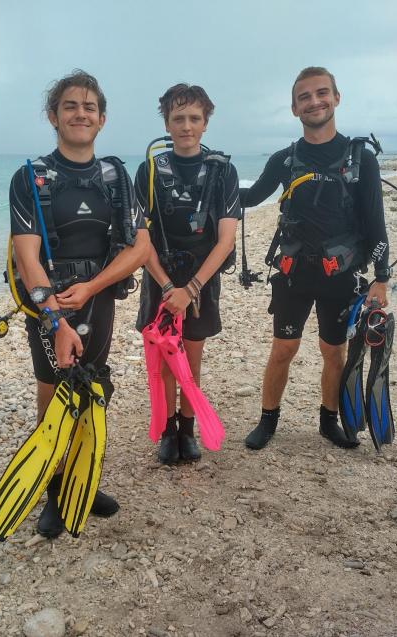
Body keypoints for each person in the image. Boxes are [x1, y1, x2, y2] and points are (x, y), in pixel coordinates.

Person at [6, 70, 149, 538]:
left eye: (89, 107)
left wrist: (92, 288)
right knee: (53, 392)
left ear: (102, 119)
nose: (80, 113)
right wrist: (53, 316)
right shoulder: (30, 177)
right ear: (54, 116)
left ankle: (83, 483)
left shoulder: (115, 176)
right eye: (70, 106)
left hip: (98, 297)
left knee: (94, 389)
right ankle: (53, 487)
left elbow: (140, 248)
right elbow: (27, 256)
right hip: (49, 301)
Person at [241, 66, 390, 450]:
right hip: (293, 272)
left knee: (333, 351)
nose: (314, 102)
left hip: (339, 275)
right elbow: (250, 198)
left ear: (336, 98)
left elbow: (376, 225)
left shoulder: (361, 160)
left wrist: (382, 277)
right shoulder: (284, 160)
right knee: (283, 349)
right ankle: (268, 419)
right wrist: (209, 185)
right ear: (294, 109)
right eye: (304, 97)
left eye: (321, 93)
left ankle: (328, 420)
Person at [134, 84, 240, 464]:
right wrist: (167, 287)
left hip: (202, 281)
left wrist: (191, 289)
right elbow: (140, 241)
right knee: (164, 362)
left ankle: (188, 427)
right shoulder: (148, 171)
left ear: (206, 123)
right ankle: (167, 432)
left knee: (191, 360)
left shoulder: (223, 171)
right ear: (166, 122)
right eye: (178, 118)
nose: (186, 126)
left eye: (194, 118)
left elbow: (226, 239)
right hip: (160, 277)